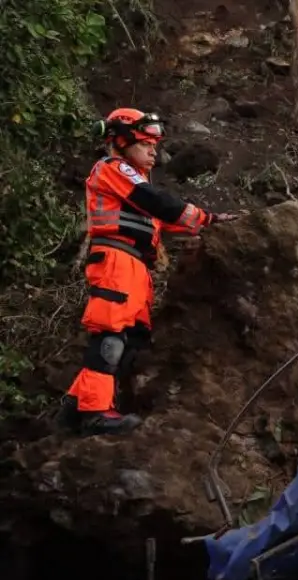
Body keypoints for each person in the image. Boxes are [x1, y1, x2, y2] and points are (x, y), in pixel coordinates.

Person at [58, 108, 238, 436]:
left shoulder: (134, 182)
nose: (154, 150)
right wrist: (204, 217)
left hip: (136, 267)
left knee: (130, 340)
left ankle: (77, 406)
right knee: (110, 335)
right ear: (123, 141)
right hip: (115, 261)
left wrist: (211, 221)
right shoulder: (112, 169)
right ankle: (95, 412)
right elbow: (160, 203)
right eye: (145, 143)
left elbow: (165, 217)